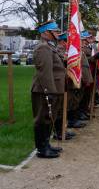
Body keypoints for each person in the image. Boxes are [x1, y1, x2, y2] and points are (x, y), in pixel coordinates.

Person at [31, 20, 64, 158]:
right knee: (42, 118)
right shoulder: (43, 48)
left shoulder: (49, 47)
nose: (57, 33)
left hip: (52, 88)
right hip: (44, 89)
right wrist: (48, 91)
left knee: (49, 117)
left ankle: (46, 144)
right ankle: (42, 149)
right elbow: (45, 72)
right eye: (54, 31)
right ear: (45, 32)